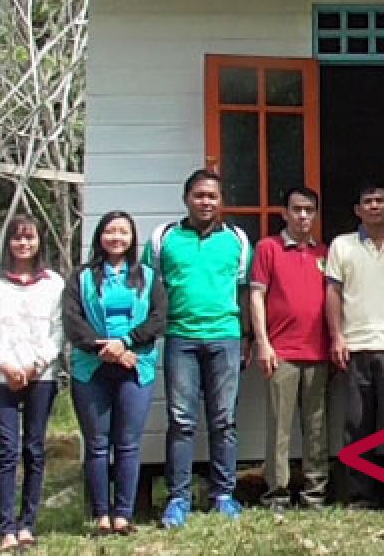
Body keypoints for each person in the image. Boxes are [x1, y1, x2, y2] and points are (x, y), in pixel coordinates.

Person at [146, 169, 252, 527]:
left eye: (212, 196)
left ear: (221, 202)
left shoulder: (237, 240)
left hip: (225, 336)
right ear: (186, 198)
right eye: (199, 195)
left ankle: (223, 494)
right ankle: (178, 497)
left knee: (224, 420)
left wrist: (248, 338)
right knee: (181, 420)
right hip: (180, 338)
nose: (206, 202)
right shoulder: (164, 238)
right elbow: (150, 287)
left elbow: (244, 292)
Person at [64, 210, 166, 536]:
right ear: (100, 237)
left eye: (123, 232)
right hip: (91, 368)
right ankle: (100, 516)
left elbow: (159, 318)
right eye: (110, 231)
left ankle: (123, 514)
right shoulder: (81, 277)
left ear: (132, 238)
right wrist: (102, 349)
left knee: (127, 444)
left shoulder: (148, 276)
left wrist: (125, 343)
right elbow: (72, 321)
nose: (116, 238)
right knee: (96, 444)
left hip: (135, 366)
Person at [324, 182, 384, 508]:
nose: (374, 206)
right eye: (368, 201)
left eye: (380, 200)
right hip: (355, 346)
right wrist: (337, 336)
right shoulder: (342, 246)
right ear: (358, 210)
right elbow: (333, 294)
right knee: (357, 425)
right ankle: (360, 496)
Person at [0, 215, 64, 550]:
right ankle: (6, 528)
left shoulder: (53, 282)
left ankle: (28, 524)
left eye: (29, 238)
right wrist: (8, 366)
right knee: (8, 450)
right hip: (2, 377)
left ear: (40, 241)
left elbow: (58, 331)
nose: (23, 245)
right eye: (16, 238)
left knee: (35, 449)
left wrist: (36, 364)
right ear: (7, 242)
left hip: (40, 376)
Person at [250, 187, 330, 509]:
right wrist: (263, 343)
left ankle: (315, 494)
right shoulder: (268, 248)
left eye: (309, 210)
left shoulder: (324, 253)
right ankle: (277, 495)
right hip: (281, 352)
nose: (303, 216)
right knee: (279, 429)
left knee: (317, 427)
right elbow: (256, 296)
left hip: (318, 352)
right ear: (284, 213)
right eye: (296, 209)